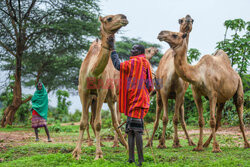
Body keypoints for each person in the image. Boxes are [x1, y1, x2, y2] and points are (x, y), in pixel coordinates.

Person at [108, 37, 154, 166]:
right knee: (130, 130)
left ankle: (140, 160)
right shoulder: (145, 62)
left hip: (136, 101)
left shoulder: (133, 62)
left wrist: (113, 50)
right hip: (137, 99)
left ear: (140, 51)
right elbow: (150, 84)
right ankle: (131, 158)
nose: (131, 50)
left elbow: (118, 65)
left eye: (134, 49)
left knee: (137, 131)